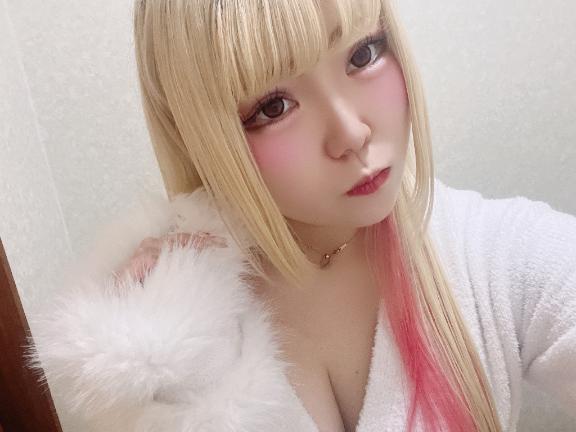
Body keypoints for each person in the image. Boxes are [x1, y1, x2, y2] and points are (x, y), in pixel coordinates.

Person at [24, 0, 576, 431]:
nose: (351, 133)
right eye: (273, 106)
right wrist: (145, 374)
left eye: (363, 54)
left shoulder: (493, 256)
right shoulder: (169, 329)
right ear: (203, 137)